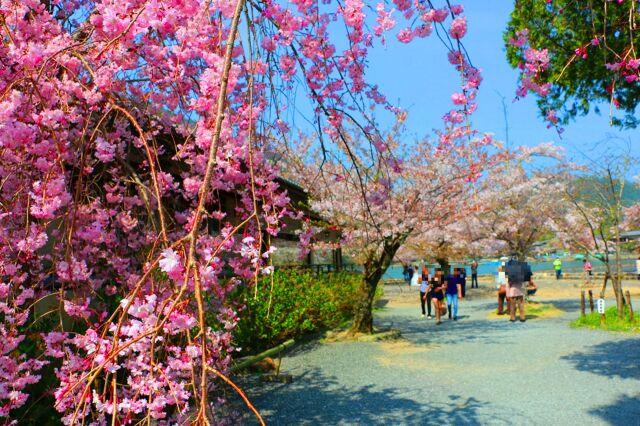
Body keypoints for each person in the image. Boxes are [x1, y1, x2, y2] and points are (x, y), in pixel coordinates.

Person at [505, 258, 532, 322]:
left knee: (512, 306)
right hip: (520, 292)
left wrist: (507, 295)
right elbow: (524, 284)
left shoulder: (510, 278)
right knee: (521, 305)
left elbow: (508, 286)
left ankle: (512, 318)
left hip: (512, 293)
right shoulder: (521, 276)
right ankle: (522, 317)